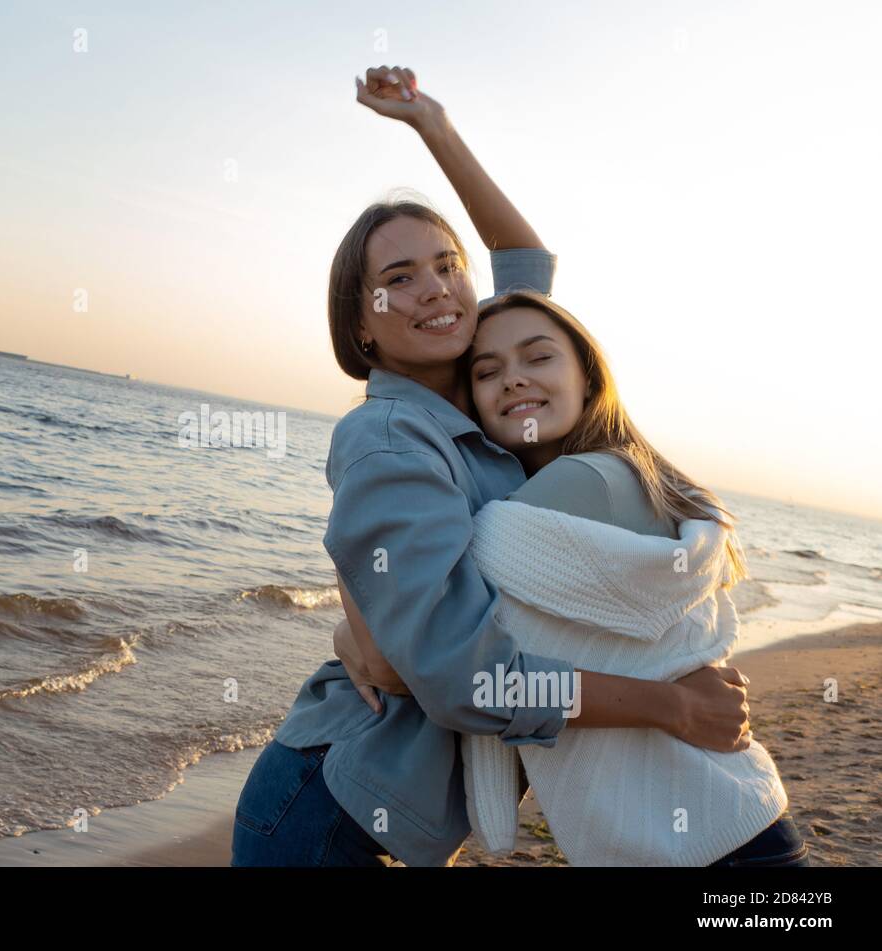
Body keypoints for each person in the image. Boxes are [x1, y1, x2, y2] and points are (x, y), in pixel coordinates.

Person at [230, 67, 754, 868]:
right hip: (328, 806)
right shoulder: (390, 441)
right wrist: (673, 706)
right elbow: (470, 681)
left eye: (447, 264)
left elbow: (521, 257)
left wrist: (431, 124)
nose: (436, 289)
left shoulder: (486, 387)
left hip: (387, 814)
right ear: (361, 326)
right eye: (397, 280)